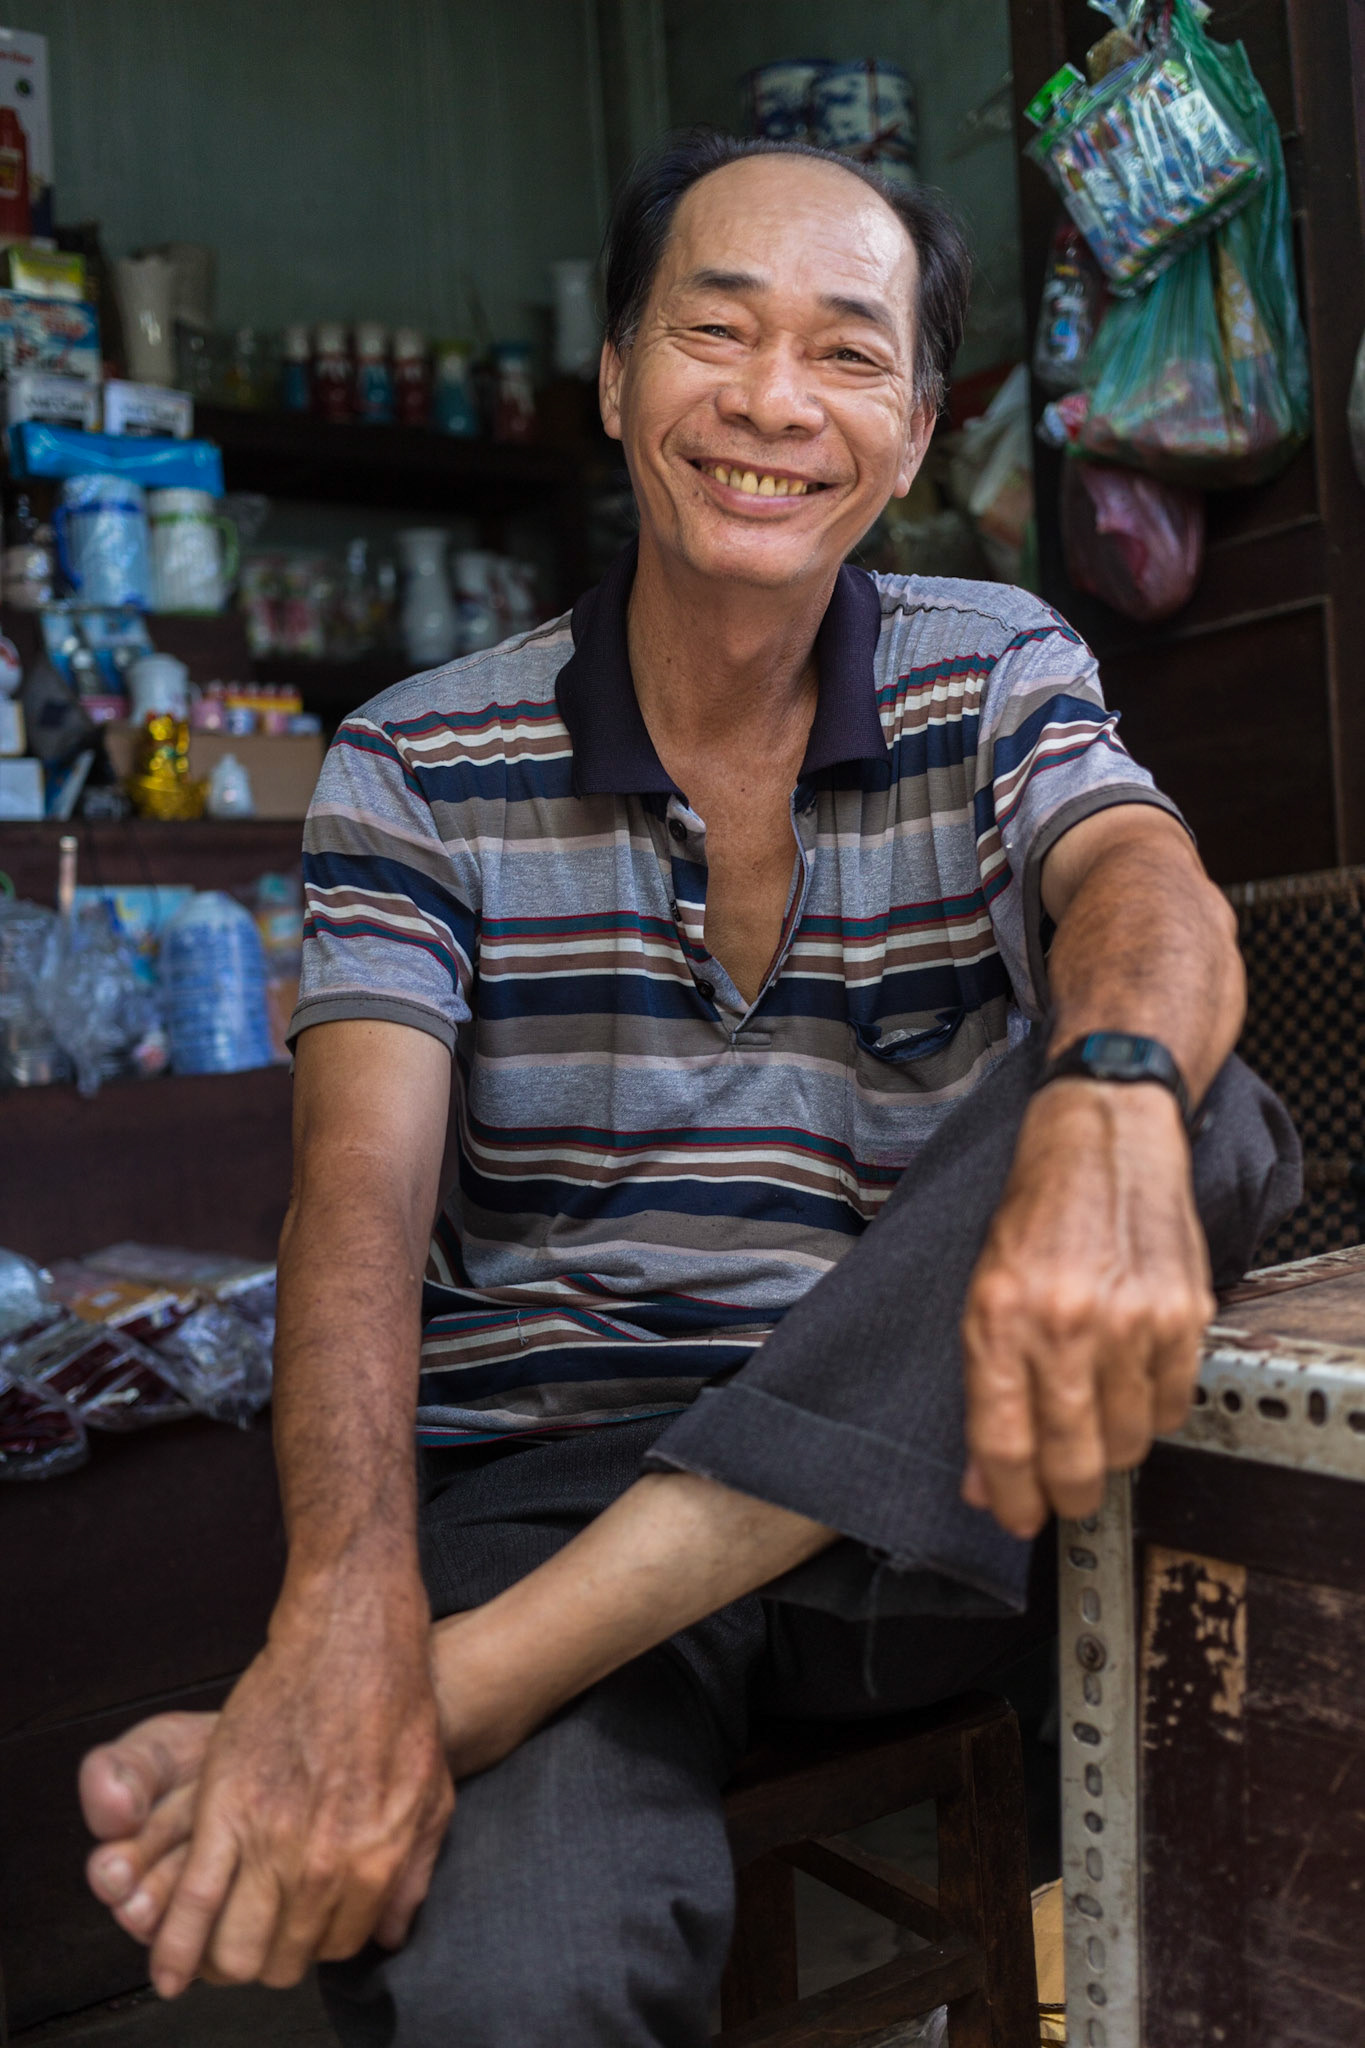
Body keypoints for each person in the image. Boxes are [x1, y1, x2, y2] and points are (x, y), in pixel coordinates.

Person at [79, 133, 1298, 2045]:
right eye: (713, 332)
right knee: (507, 1986)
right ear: (619, 377)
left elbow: (1141, 887)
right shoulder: (415, 761)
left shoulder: (988, 672)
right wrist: (341, 1607)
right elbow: (357, 1207)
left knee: (1184, 1096)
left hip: (909, 1524)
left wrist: (1107, 1094)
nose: (769, 403)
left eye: (845, 354)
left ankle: (471, 1687)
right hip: (542, 1495)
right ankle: (479, 1675)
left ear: (907, 436)